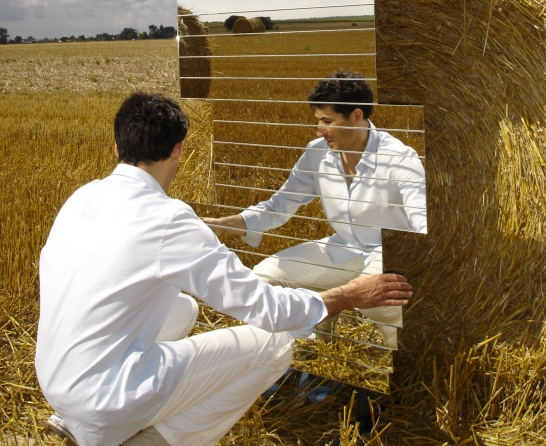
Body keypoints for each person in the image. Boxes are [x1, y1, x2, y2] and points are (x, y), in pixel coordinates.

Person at [35, 92, 413, 446]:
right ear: (179, 149)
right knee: (274, 343)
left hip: (56, 380)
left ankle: (76, 418)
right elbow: (265, 306)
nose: (318, 129)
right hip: (104, 399)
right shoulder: (169, 220)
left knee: (184, 308)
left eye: (326, 120)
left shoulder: (82, 196)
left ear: (117, 147)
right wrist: (348, 296)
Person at [204, 70, 426, 348]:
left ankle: (405, 364)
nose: (319, 130)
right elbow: (279, 206)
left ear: (357, 116)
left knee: (381, 304)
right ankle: (312, 347)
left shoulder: (400, 159)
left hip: (387, 257)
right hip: (341, 249)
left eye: (327, 121)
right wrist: (227, 223)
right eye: (318, 121)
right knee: (266, 279)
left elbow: (422, 226)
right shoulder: (317, 152)